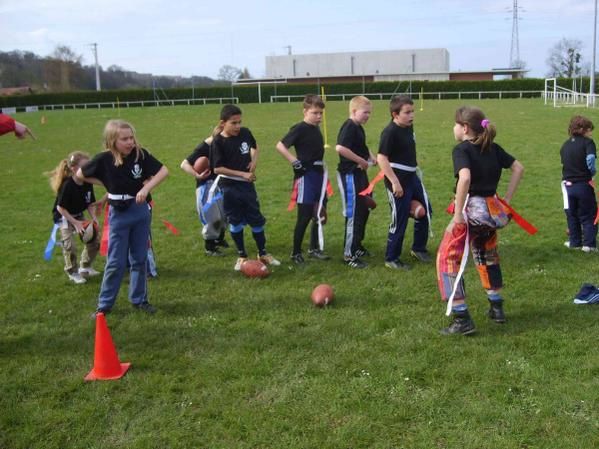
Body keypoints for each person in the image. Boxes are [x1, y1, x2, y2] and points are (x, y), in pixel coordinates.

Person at [436, 106, 524, 335]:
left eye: (456, 124)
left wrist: (457, 216)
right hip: (492, 212)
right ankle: (496, 307)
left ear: (464, 128)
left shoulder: (462, 150)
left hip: (470, 212)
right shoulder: (492, 148)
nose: (454, 128)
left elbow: (464, 178)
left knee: (447, 260)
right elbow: (518, 168)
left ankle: (461, 317)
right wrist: (506, 199)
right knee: (488, 256)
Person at [77, 119, 168, 316]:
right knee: (115, 262)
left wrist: (145, 188)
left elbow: (164, 171)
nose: (130, 142)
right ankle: (104, 305)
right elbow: (79, 174)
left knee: (140, 258)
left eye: (131, 138)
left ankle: (139, 300)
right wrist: (108, 183)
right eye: (124, 139)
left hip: (140, 212)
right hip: (119, 214)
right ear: (112, 141)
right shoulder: (103, 159)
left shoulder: (140, 155)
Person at [211, 104, 280, 271]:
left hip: (247, 187)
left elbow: (255, 148)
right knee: (235, 222)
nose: (238, 126)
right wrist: (242, 174)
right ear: (223, 123)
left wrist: (254, 162)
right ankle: (242, 255)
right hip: (229, 188)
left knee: (256, 219)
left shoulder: (245, 133)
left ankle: (263, 253)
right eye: (233, 123)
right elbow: (217, 168)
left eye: (239, 122)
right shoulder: (218, 142)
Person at [377, 95, 431, 270]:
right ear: (395, 114)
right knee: (399, 219)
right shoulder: (389, 132)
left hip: (412, 177)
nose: (412, 115)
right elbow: (381, 158)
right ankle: (391, 258)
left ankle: (418, 248)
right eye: (407, 112)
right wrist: (395, 182)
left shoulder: (408, 126)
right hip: (398, 181)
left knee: (426, 211)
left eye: (412, 111)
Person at [276, 94, 330, 264]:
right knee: (304, 215)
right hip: (306, 177)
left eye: (321, 113)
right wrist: (295, 161)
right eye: (315, 113)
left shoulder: (316, 128)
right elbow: (280, 145)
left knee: (318, 214)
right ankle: (295, 252)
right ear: (305, 111)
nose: (319, 116)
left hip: (319, 175)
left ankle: (313, 248)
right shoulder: (300, 128)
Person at [335, 95, 377, 268]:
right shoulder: (349, 126)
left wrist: (371, 157)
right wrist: (360, 161)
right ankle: (348, 255)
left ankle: (357, 245)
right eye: (365, 112)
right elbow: (340, 148)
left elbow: (362, 146)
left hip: (360, 175)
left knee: (364, 209)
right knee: (353, 213)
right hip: (350, 175)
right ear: (354, 111)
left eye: (369, 113)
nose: (368, 116)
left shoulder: (359, 127)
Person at [48, 151, 101, 284]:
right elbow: (61, 208)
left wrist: (94, 217)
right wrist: (76, 223)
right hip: (64, 217)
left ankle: (85, 266)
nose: (88, 169)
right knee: (69, 246)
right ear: (74, 168)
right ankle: (73, 272)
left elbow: (89, 202)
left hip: (78, 215)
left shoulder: (87, 181)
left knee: (94, 240)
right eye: (85, 167)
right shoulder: (68, 185)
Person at [181, 131, 229, 256]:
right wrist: (198, 175)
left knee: (225, 214)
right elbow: (184, 164)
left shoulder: (225, 143)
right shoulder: (205, 147)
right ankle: (210, 247)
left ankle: (219, 239)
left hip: (220, 183)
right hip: (206, 186)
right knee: (213, 217)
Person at [561, 115, 597, 252]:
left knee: (572, 214)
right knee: (588, 214)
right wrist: (592, 171)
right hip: (583, 184)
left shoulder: (565, 145)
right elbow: (590, 158)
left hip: (567, 185)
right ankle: (589, 245)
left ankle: (574, 242)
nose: (591, 133)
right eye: (589, 130)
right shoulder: (588, 143)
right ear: (583, 130)